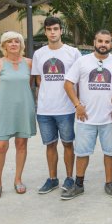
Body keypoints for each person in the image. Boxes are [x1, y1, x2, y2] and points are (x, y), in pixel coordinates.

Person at [62, 29, 112, 200]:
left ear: (111, 44)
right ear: (94, 42)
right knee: (82, 153)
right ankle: (78, 185)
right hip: (85, 117)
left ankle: (109, 183)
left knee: (110, 152)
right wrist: (77, 105)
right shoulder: (82, 61)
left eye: (107, 41)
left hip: (110, 118)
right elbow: (67, 84)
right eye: (100, 41)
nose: (103, 44)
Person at [32, 17, 81, 195]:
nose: (52, 32)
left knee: (68, 144)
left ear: (61, 31)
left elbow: (78, 80)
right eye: (49, 29)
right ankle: (52, 179)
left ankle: (69, 178)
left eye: (55, 29)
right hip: (44, 110)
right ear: (45, 31)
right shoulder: (39, 54)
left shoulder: (73, 53)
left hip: (66, 109)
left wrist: (78, 104)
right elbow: (39, 80)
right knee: (50, 145)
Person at [0, 31, 36, 199]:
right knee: (1, 146)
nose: (14, 44)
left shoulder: (29, 63)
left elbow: (29, 85)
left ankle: (18, 179)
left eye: (17, 41)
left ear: (21, 45)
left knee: (21, 144)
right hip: (4, 109)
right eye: (9, 41)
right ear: (4, 46)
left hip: (24, 109)